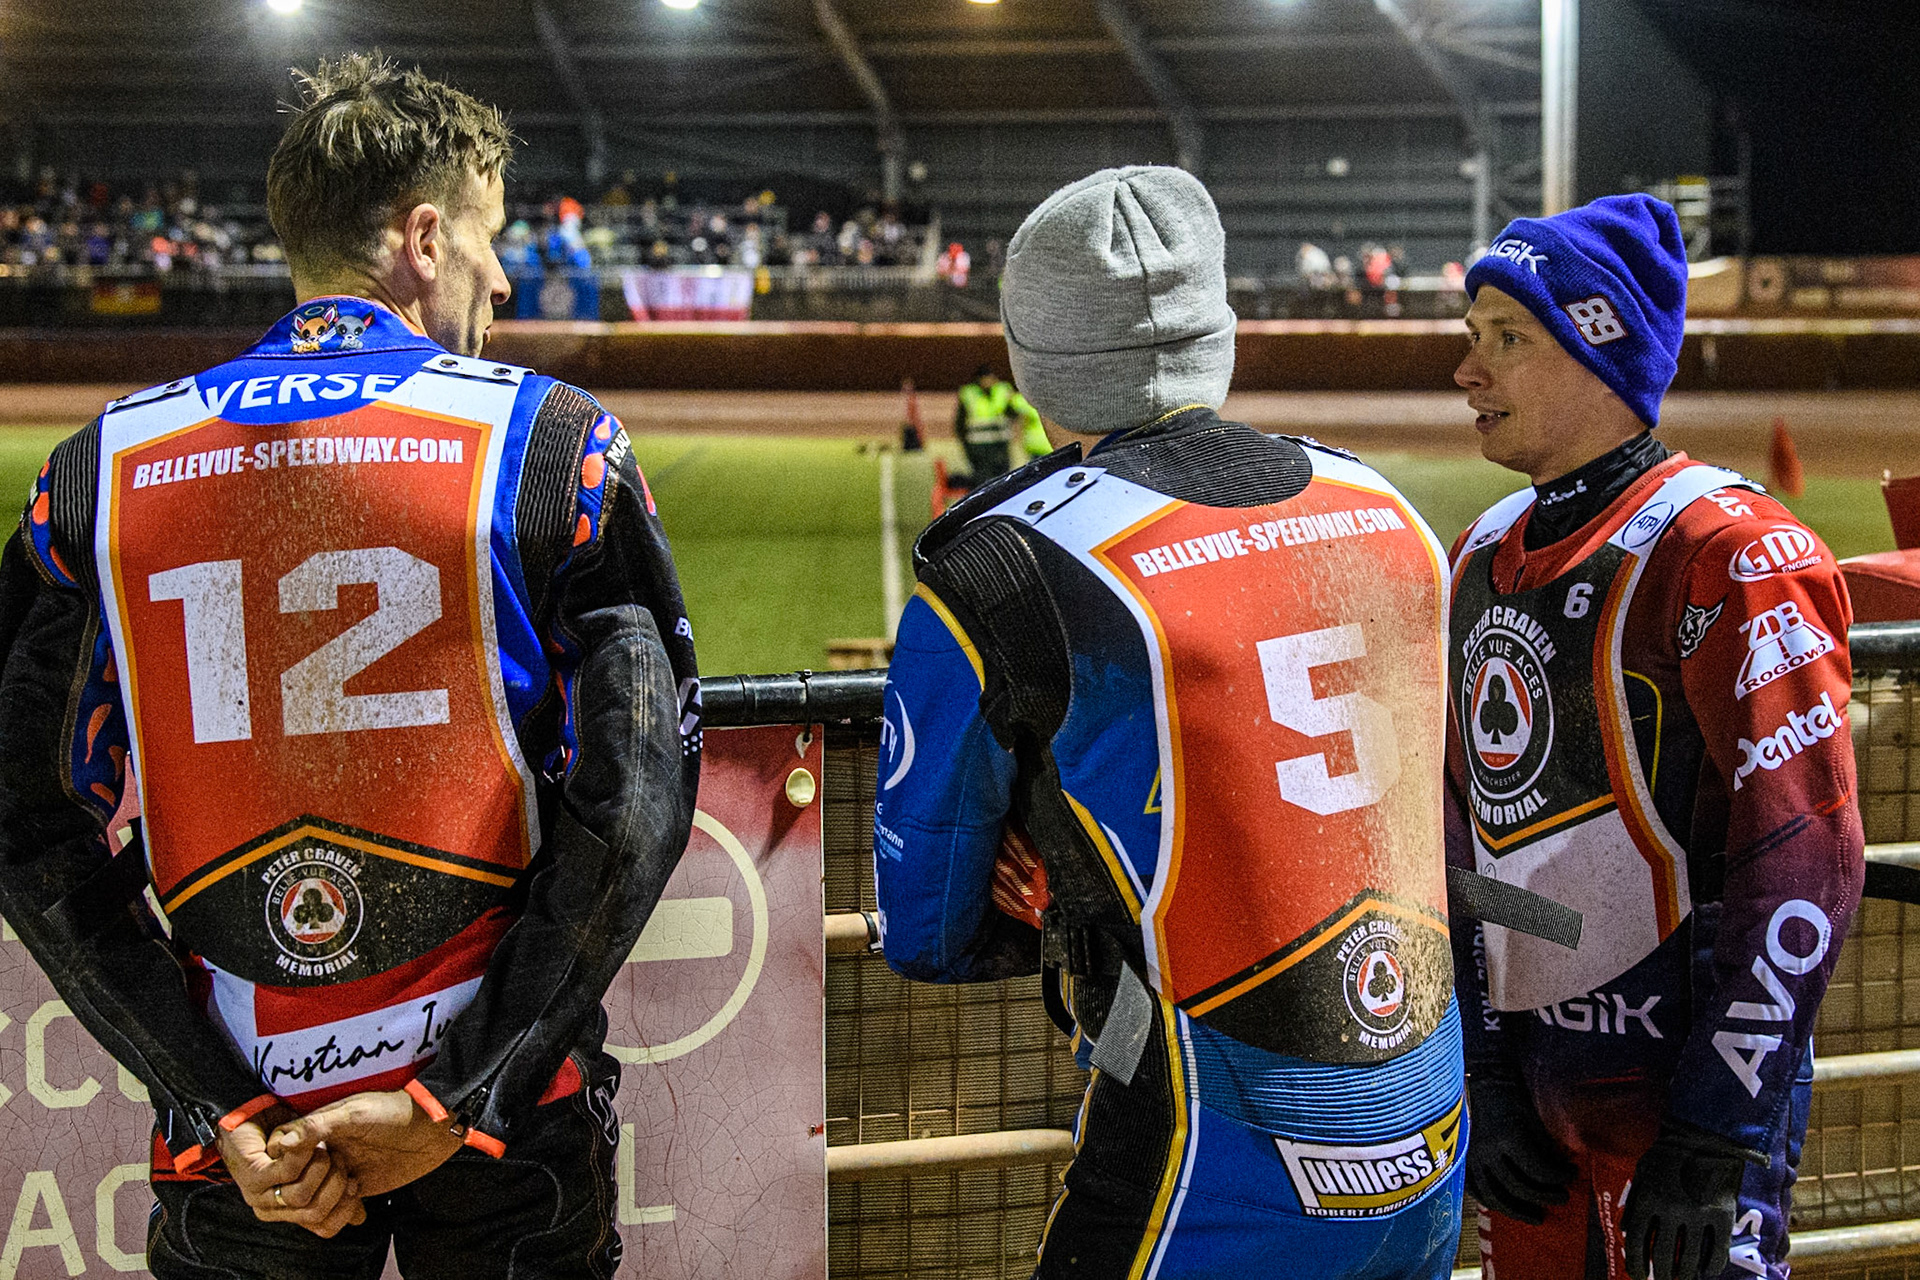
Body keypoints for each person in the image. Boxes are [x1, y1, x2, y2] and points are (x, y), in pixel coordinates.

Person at [0, 54, 701, 1277]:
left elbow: (21, 815)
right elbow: (634, 803)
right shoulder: (552, 442)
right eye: (489, 238)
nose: (502, 273)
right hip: (499, 1132)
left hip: (245, 1144)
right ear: (423, 238)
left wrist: (220, 1099)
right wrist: (458, 1093)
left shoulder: (94, 470)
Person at [874, 166, 1465, 1278]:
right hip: (1431, 1126)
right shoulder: (1388, 509)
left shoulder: (998, 568)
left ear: (1031, 357)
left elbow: (925, 923)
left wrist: (1064, 893)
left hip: (1210, 1155)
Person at [1447, 196, 1863, 1280]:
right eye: (1470, 338)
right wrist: (1483, 1072)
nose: (1467, 372)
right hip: (1533, 1106)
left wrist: (1718, 1125)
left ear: (1599, 347)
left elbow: (1805, 859)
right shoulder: (1479, 552)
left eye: (1506, 338)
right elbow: (1466, 844)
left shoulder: (1730, 549)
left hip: (1683, 1104)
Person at [952, 365, 1041, 486]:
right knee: (982, 479)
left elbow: (1012, 412)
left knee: (1002, 478)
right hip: (978, 446)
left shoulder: (1002, 391)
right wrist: (964, 443)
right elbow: (960, 421)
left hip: (1000, 443)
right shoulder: (969, 393)